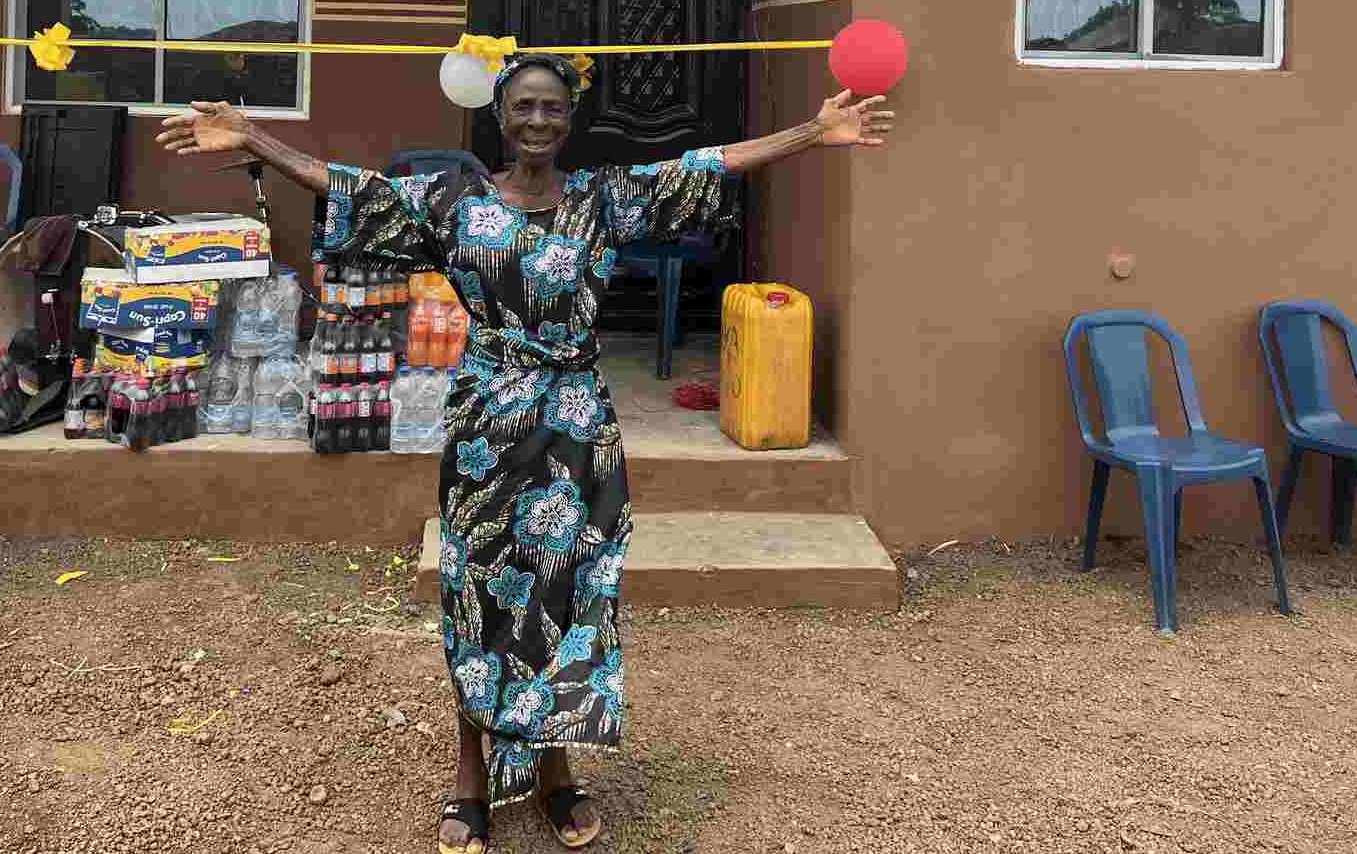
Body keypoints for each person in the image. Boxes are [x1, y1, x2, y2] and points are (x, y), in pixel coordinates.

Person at [158, 52, 893, 853]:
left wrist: (816, 133)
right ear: (500, 119)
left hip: (577, 428)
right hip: (487, 428)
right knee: (477, 594)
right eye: (524, 108)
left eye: (552, 108)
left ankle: (555, 772)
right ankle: (471, 774)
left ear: (568, 120)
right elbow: (352, 186)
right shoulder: (452, 202)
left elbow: (706, 164)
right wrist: (257, 138)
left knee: (570, 594)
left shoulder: (602, 199)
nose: (538, 120)